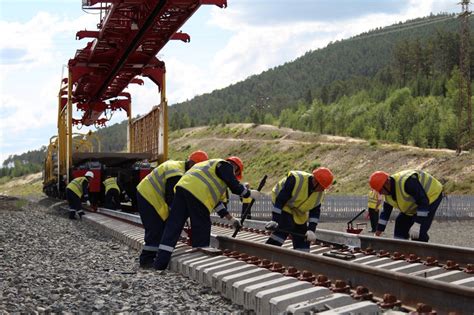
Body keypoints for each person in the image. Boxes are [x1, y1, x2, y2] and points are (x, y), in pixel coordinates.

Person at [153, 156, 262, 270]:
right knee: (202, 226)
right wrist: (249, 193)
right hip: (198, 193)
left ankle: (160, 263)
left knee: (173, 226)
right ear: (236, 168)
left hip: (182, 190)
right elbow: (234, 186)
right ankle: (198, 262)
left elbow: (217, 204)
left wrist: (231, 219)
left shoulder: (209, 170)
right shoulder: (225, 165)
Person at [136, 150, 209, 268]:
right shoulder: (176, 172)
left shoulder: (179, 169)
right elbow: (172, 196)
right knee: (155, 228)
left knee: (159, 227)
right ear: (192, 164)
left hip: (151, 195)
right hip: (149, 195)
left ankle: (153, 257)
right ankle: (146, 260)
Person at [265, 167, 334, 252]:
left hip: (298, 210)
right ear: (315, 181)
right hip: (283, 204)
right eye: (322, 187)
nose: (323, 189)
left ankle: (302, 255)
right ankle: (268, 250)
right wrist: (275, 220)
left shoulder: (319, 193)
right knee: (285, 225)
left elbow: (315, 212)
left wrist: (311, 230)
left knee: (302, 233)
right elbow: (281, 200)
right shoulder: (296, 179)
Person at [369, 170, 443, 242]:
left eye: (381, 190)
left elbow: (423, 202)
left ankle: (421, 252)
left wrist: (418, 224)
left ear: (387, 182)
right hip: (417, 203)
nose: (381, 193)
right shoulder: (388, 193)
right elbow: (385, 213)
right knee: (400, 224)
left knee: (418, 233)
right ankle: (400, 249)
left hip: (431, 196)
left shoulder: (407, 182)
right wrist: (378, 232)